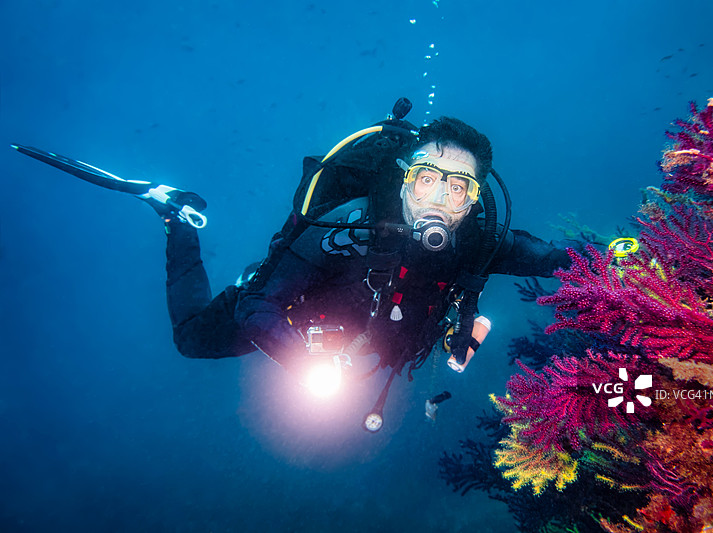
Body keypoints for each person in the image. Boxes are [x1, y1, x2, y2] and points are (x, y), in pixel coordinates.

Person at [13, 104, 571, 431]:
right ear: (404, 178)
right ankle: (174, 213)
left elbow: (551, 257)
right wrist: (303, 359)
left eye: (457, 186)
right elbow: (260, 307)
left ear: (474, 200)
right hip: (296, 311)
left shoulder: (478, 242)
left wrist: (625, 257)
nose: (438, 199)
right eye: (427, 179)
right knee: (190, 339)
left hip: (376, 343)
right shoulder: (345, 228)